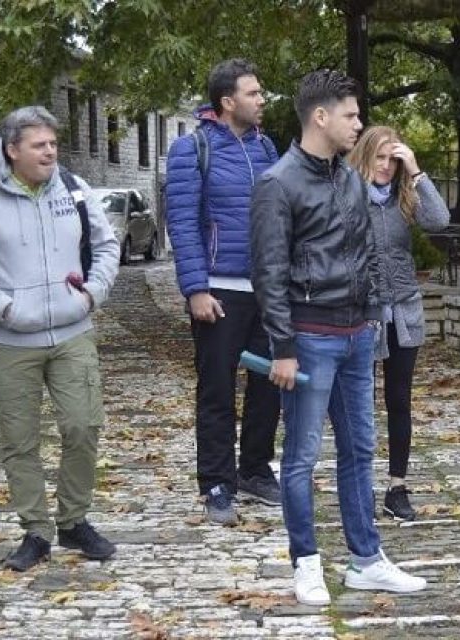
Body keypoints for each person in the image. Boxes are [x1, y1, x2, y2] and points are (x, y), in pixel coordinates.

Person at [250, 70, 427, 606]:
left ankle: (366, 560)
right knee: (301, 456)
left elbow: (366, 252)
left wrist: (371, 316)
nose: (359, 124)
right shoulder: (278, 183)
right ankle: (305, 563)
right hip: (309, 338)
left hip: (356, 335)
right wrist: (283, 347)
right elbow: (269, 273)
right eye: (351, 115)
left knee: (360, 450)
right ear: (321, 116)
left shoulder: (350, 178)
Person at [0, 106, 120, 572]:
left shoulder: (74, 188)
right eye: (39, 145)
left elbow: (107, 245)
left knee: (82, 426)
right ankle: (35, 530)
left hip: (73, 331)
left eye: (53, 143)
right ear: (12, 150)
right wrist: (2, 306)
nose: (50, 152)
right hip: (10, 340)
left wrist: (92, 294)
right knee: (20, 441)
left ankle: (74, 520)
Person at [164, 59, 281, 525]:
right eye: (253, 93)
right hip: (218, 290)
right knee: (217, 390)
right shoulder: (191, 149)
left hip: (265, 290)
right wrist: (195, 288)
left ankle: (254, 470)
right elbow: (182, 224)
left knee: (270, 384)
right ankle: (217, 483)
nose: (262, 100)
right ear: (228, 102)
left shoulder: (266, 147)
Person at [346, 126, 449, 521]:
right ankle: (358, 485)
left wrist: (417, 171)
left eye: (394, 158)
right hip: (361, 310)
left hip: (403, 309)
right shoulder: (348, 195)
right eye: (380, 157)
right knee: (358, 402)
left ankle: (397, 485)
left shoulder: (405, 197)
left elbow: (438, 221)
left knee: (399, 399)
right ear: (365, 156)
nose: (386, 166)